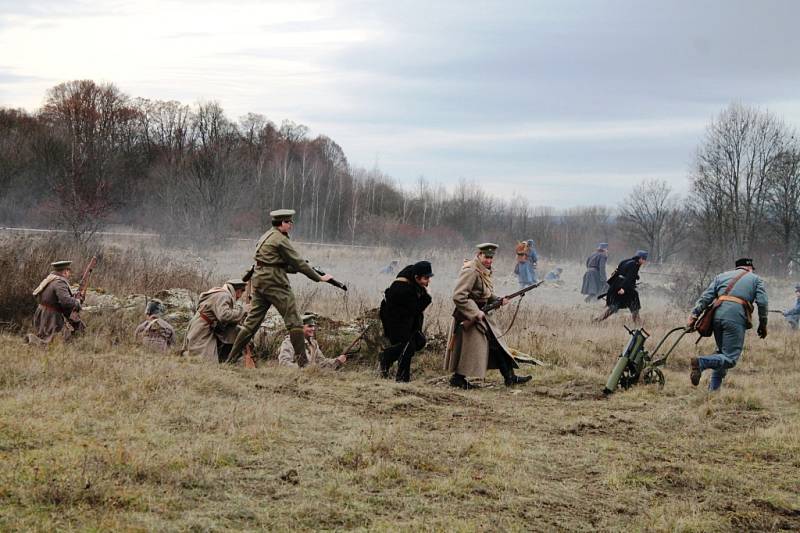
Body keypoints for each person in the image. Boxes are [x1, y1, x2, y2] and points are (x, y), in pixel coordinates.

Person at [226, 209, 335, 366]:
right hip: (275, 283)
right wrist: (319, 277)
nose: (291, 225)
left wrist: (297, 268)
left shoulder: (266, 236)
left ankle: (230, 361)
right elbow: (298, 262)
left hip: (260, 281)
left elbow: (276, 263)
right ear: (282, 223)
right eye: (289, 222)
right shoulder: (280, 240)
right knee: (295, 322)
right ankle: (304, 365)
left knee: (251, 323)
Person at [444, 243, 532, 389]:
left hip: (482, 314)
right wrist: (475, 312)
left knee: (496, 344)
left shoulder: (483, 270)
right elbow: (459, 296)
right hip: (468, 316)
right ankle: (458, 379)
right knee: (471, 349)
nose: (489, 261)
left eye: (491, 258)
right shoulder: (471, 270)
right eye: (486, 257)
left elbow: (485, 293)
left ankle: (509, 377)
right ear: (479, 254)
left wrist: (498, 300)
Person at [687, 258, 768, 391]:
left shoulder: (721, 276)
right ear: (749, 268)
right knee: (730, 359)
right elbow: (763, 303)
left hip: (716, 316)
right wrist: (763, 324)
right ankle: (701, 362)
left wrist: (694, 315)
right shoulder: (755, 279)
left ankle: (713, 392)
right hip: (735, 317)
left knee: (722, 354)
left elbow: (706, 297)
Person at [378, 260, 434, 382]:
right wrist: (427, 296)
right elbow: (415, 309)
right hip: (394, 319)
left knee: (419, 341)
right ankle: (402, 379)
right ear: (416, 277)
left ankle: (386, 356)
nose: (428, 281)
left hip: (406, 318)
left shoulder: (412, 274)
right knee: (408, 346)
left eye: (429, 277)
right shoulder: (402, 290)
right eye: (426, 278)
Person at [184, 279, 247, 363]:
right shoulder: (224, 295)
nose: (239, 296)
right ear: (238, 291)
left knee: (197, 355)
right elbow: (224, 316)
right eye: (241, 292)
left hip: (200, 324)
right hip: (202, 328)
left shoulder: (219, 293)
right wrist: (243, 311)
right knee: (203, 360)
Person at [28, 260, 84, 344]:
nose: (69, 274)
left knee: (49, 337)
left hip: (43, 313)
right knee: (51, 341)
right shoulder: (59, 282)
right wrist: (77, 302)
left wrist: (73, 297)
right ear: (65, 271)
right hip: (50, 316)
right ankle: (33, 341)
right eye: (69, 271)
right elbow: (66, 301)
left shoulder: (52, 279)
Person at [594, 250, 647, 324]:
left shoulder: (626, 261)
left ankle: (598, 320)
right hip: (623, 287)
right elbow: (629, 277)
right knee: (632, 301)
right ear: (640, 258)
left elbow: (616, 272)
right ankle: (637, 321)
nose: (645, 261)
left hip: (616, 285)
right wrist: (623, 288)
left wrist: (611, 285)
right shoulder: (634, 265)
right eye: (644, 259)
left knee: (617, 305)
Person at [278, 313, 347, 369]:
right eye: (310, 326)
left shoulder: (313, 343)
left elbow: (321, 362)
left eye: (314, 326)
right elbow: (284, 363)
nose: (313, 329)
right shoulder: (289, 342)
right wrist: (305, 369)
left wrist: (336, 361)